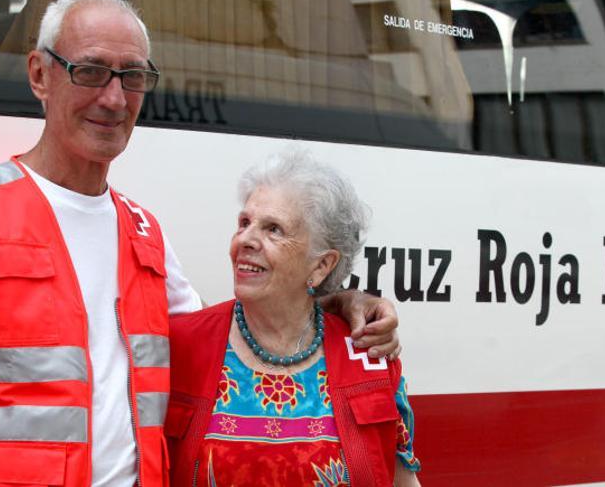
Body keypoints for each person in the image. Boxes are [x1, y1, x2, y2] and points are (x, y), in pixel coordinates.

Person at [0, 0, 400, 486]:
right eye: (91, 71)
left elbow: (224, 338)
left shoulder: (142, 232)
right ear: (39, 75)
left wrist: (329, 302)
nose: (115, 98)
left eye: (133, 77)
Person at [166, 151, 421, 486]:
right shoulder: (180, 347)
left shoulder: (367, 354)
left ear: (321, 265)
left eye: (274, 229)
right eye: (244, 223)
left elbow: (402, 481)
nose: (245, 240)